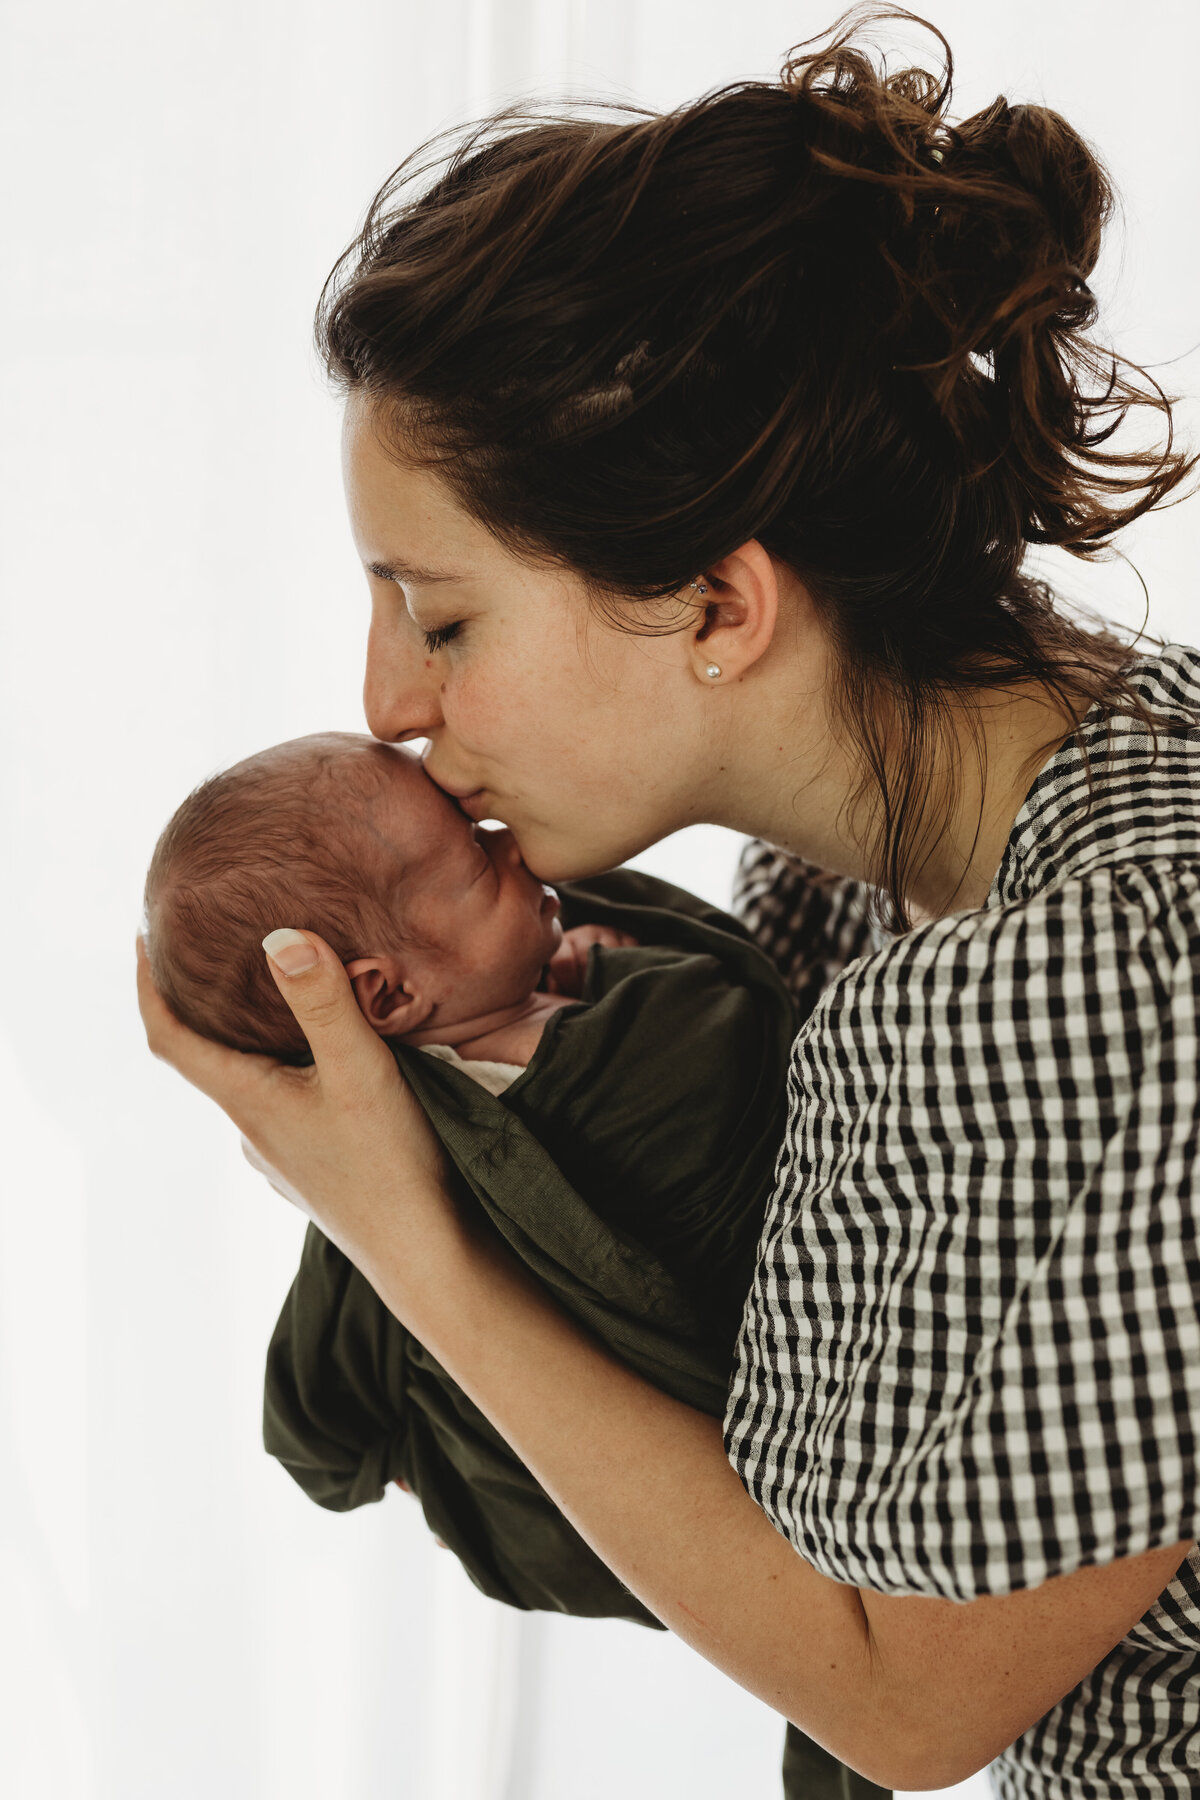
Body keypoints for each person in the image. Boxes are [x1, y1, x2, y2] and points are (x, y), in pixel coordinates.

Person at [137, 9, 1200, 1794]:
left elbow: (904, 1703)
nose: (389, 701)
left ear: (717, 605)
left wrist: (409, 1235)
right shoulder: (858, 875)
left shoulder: (1124, 970)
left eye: (443, 613)